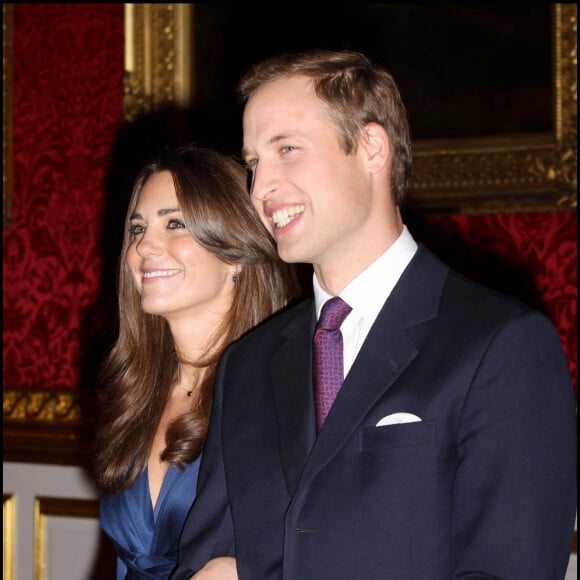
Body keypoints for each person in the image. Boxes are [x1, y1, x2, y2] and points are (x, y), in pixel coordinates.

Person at [173, 50, 577, 580]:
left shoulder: (501, 345)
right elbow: (202, 565)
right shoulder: (247, 365)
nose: (260, 188)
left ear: (371, 147)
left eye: (287, 150)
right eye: (253, 163)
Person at [94, 143, 299, 579]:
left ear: (234, 254)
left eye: (175, 224)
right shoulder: (138, 392)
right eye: (137, 228)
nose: (144, 246)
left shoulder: (286, 396)